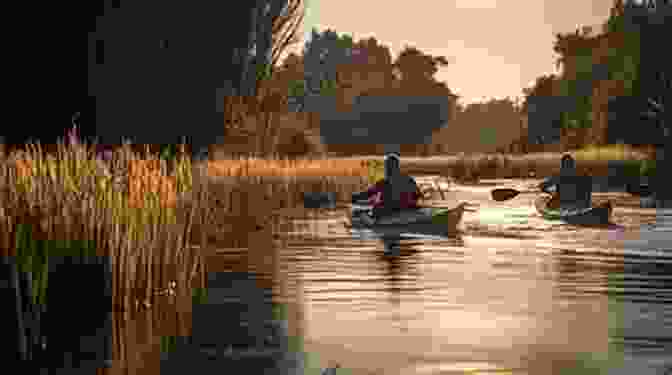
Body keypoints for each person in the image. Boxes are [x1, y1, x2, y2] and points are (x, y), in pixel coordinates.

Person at [352, 152, 422, 220]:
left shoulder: (384, 183)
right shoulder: (409, 179)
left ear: (388, 168)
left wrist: (355, 197)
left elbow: (367, 194)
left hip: (390, 211)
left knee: (375, 209)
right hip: (408, 209)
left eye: (386, 166)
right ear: (398, 167)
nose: (386, 169)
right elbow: (418, 195)